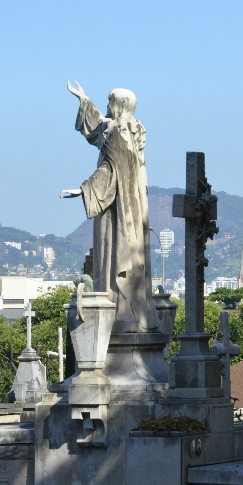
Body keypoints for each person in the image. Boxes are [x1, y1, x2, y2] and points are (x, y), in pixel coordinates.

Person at [60, 81, 160, 333]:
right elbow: (98, 128)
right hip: (132, 204)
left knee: (114, 252)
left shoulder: (117, 132)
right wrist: (84, 100)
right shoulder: (132, 130)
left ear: (119, 105)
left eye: (110, 103)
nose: (107, 107)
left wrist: (83, 189)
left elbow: (111, 169)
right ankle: (129, 309)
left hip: (116, 208)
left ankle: (118, 311)